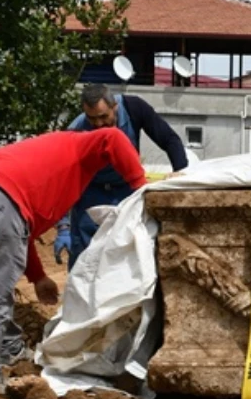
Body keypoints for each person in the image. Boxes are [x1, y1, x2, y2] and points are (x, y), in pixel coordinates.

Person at [0, 129, 148, 393]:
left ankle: (9, 349)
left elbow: (19, 229)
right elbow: (112, 137)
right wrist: (141, 188)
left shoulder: (48, 158)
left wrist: (38, 277)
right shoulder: (77, 145)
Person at [65, 84, 187, 267]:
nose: (98, 124)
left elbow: (169, 139)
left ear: (115, 107)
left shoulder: (134, 109)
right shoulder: (76, 130)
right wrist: (63, 227)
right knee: (85, 255)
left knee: (128, 250)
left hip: (126, 190)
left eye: (103, 117)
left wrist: (181, 171)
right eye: (92, 119)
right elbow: (64, 179)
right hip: (91, 192)